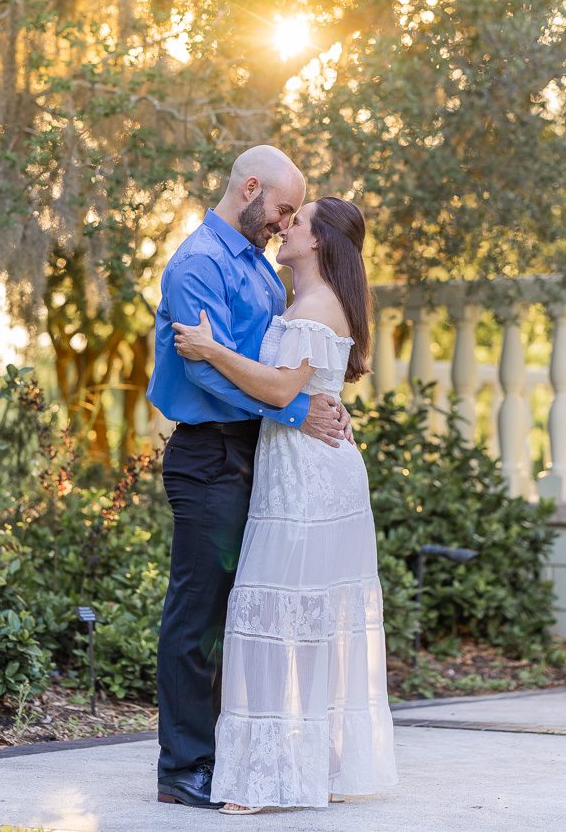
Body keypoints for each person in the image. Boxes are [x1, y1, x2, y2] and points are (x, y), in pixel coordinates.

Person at [173, 195, 399, 812]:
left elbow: (279, 387)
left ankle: (266, 781)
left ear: (319, 242)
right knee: (306, 620)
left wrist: (210, 349)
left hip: (310, 482)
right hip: (297, 469)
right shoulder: (304, 302)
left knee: (274, 615)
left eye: (295, 222)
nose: (284, 226)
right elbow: (301, 388)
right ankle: (310, 770)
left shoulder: (317, 306)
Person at [147, 147, 353, 810]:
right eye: (282, 210)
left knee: (240, 615)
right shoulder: (199, 263)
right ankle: (183, 769)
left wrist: (308, 392)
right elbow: (206, 370)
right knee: (198, 614)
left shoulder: (260, 273)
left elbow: (274, 360)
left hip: (255, 455)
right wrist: (296, 409)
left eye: (294, 216)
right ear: (251, 188)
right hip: (208, 459)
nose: (283, 223)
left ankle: (234, 759)